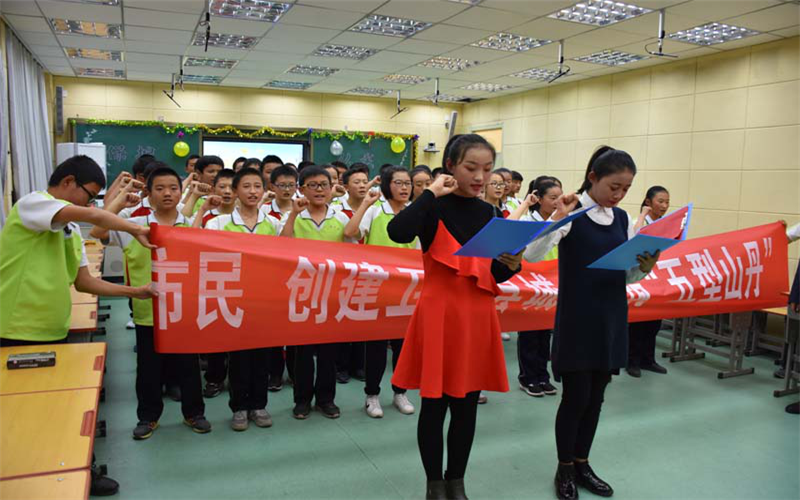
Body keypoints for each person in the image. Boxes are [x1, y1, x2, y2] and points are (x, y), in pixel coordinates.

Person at [0, 155, 156, 496]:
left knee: (55, 407)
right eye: (89, 194)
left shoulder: (69, 231)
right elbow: (93, 216)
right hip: (14, 330)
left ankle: (74, 470)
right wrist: (134, 228)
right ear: (68, 182)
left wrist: (136, 292)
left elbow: (85, 282)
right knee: (16, 413)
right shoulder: (33, 205)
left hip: (52, 329)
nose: (90, 203)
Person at [387, 134, 522, 500]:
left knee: (467, 407)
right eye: (471, 167)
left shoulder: (491, 214)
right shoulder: (433, 206)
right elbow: (398, 232)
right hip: (440, 314)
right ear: (450, 166)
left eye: (488, 169)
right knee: (434, 406)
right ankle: (434, 483)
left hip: (477, 316)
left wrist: (512, 264)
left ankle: (456, 480)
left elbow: (493, 273)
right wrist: (430, 192)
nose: (481, 177)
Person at [523, 146, 659, 500]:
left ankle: (583, 463)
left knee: (596, 397)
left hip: (611, 317)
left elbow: (627, 276)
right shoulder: (573, 214)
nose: (619, 195)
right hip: (577, 319)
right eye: (614, 187)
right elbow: (532, 254)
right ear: (593, 178)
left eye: (626, 189)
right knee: (576, 397)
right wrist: (559, 216)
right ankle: (564, 468)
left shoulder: (622, 219)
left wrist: (644, 267)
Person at [91, 166, 212, 441]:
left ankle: (194, 413)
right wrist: (120, 201)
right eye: (160, 188)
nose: (167, 193)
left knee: (189, 367)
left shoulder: (192, 224)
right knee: (148, 368)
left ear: (181, 192)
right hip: (148, 309)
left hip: (185, 309)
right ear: (149, 193)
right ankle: (147, 417)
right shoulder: (134, 224)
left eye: (173, 188)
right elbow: (98, 230)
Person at [206, 167, 281, 430]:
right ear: (235, 190)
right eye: (246, 186)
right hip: (233, 299)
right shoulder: (217, 223)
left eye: (257, 186)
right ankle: (238, 407)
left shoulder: (273, 223)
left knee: (262, 357)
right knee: (238, 358)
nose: (252, 191)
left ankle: (259, 405)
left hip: (264, 300)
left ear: (264, 190)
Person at [344, 166, 417, 418]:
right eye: (398, 182)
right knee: (375, 347)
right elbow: (350, 233)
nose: (404, 187)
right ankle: (372, 395)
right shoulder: (375, 210)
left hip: (406, 289)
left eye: (407, 183)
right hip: (377, 287)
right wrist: (365, 204)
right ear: (387, 185)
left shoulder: (414, 212)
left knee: (402, 346)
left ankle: (400, 392)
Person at [280, 165, 353, 420]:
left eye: (324, 185)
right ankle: (302, 400)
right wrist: (292, 214)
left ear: (332, 188)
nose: (319, 190)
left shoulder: (341, 217)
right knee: (302, 352)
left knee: (328, 353)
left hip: (332, 293)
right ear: (302, 189)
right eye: (313, 185)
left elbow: (354, 249)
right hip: (301, 292)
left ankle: (326, 399)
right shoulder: (293, 216)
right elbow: (281, 246)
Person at [509, 177, 563, 397]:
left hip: (552, 284)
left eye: (560, 197)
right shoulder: (526, 221)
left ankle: (543, 376)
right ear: (538, 199)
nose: (558, 202)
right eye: (553, 197)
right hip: (529, 284)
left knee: (545, 334)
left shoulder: (562, 222)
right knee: (529, 334)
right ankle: (527, 378)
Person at [627, 186, 671, 378]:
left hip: (658, 280)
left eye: (667, 202)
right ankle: (632, 361)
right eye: (660, 201)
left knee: (654, 322)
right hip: (639, 278)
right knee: (638, 323)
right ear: (648, 202)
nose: (664, 206)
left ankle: (648, 360)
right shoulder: (638, 222)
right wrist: (643, 215)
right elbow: (633, 240)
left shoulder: (666, 226)